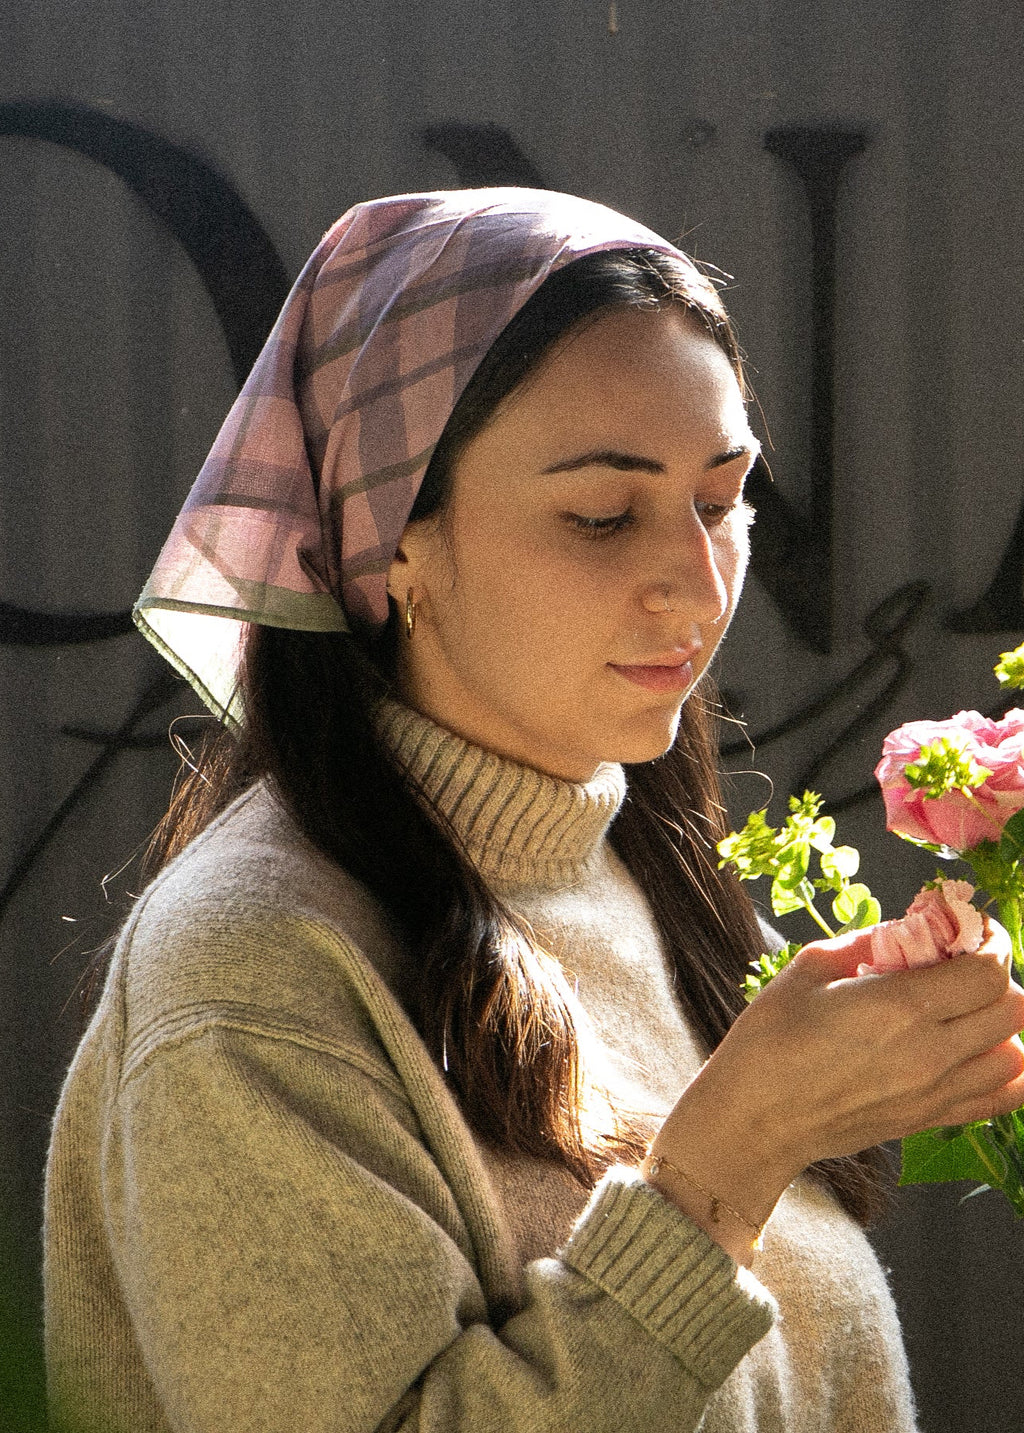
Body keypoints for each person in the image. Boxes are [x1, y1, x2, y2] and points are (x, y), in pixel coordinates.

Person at [43, 188, 1024, 1433]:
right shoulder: (251, 972)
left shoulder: (630, 868)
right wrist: (728, 1158)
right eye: (602, 514)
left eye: (720, 498)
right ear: (388, 538)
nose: (697, 577)